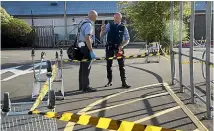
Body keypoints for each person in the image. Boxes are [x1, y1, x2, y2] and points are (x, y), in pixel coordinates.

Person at [100, 13, 131, 88]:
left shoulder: (123, 27)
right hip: (109, 47)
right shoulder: (109, 25)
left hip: (119, 48)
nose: (115, 19)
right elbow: (102, 35)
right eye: (114, 18)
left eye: (117, 18)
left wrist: (122, 45)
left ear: (120, 18)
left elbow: (127, 39)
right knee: (108, 65)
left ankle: (124, 82)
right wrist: (102, 30)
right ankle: (109, 81)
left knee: (121, 66)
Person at [78, 10, 98, 92]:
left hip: (80, 46)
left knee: (82, 67)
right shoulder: (89, 25)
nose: (96, 18)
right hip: (86, 47)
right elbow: (87, 38)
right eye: (96, 16)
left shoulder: (82, 22)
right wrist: (91, 50)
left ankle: (81, 86)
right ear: (92, 16)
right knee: (86, 67)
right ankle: (86, 87)